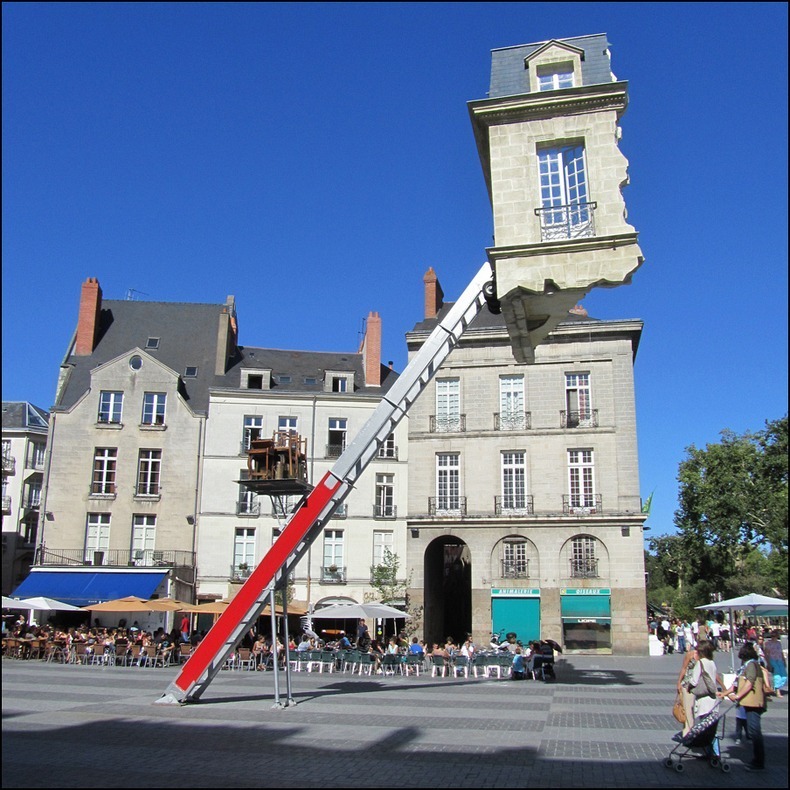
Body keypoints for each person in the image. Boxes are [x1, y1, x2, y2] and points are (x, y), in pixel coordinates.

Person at [720, 643, 766, 771]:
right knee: (753, 730)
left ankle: (759, 761)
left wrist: (738, 695)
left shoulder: (751, 665)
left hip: (754, 703)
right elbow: (736, 683)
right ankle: (758, 760)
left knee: (754, 731)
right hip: (748, 702)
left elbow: (750, 683)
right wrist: (724, 693)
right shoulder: (745, 666)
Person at [763, 630, 787, 697]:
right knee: (777, 675)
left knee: (784, 675)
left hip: (779, 660)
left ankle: (776, 687)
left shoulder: (778, 643)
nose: (775, 637)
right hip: (772, 660)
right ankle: (777, 690)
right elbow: (766, 653)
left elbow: (781, 652)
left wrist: (784, 661)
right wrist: (768, 663)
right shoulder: (768, 643)